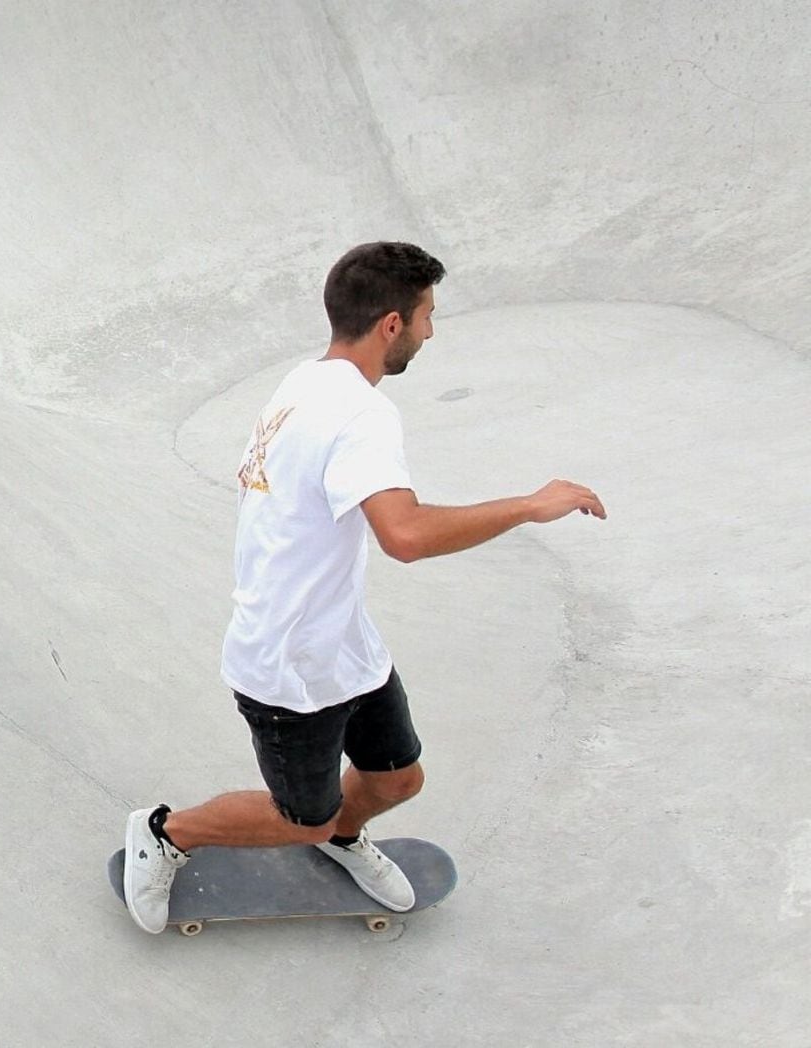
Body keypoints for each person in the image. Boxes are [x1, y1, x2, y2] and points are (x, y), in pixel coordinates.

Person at [123, 241, 606, 933]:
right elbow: (403, 536)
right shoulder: (360, 413)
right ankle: (167, 832)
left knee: (396, 780)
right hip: (289, 663)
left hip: (344, 645)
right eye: (427, 316)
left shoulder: (304, 382)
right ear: (391, 324)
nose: (430, 332)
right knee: (300, 818)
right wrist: (530, 506)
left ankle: (340, 836)